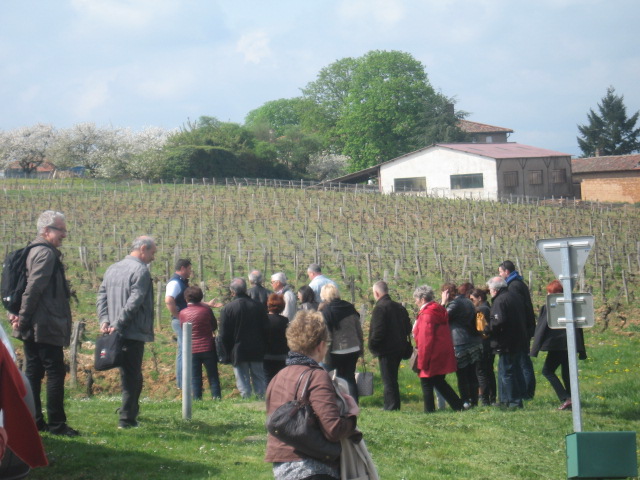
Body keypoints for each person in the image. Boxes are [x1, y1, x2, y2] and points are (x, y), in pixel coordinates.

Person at [265, 310, 359, 480]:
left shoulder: (278, 377)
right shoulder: (317, 376)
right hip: (313, 468)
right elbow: (334, 430)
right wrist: (352, 415)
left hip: (282, 466)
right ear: (320, 345)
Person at [8, 210, 79, 436]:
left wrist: (19, 315)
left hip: (34, 323)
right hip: (44, 324)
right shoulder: (46, 254)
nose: (64, 235)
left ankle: (35, 421)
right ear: (46, 230)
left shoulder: (33, 250)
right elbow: (34, 288)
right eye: (61, 230)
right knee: (55, 372)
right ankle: (57, 424)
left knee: (33, 372)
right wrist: (25, 318)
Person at [97, 235, 156, 428]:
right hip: (131, 330)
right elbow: (135, 301)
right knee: (132, 376)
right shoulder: (141, 271)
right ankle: (127, 419)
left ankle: (130, 411)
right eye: (152, 252)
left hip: (113, 329)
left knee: (127, 374)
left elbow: (102, 296)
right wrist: (119, 323)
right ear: (143, 249)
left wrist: (105, 320)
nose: (153, 257)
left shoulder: (112, 268)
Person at [530, 280, 587, 410]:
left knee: (547, 371)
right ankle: (573, 401)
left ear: (555, 294)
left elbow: (541, 328)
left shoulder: (550, 306)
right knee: (567, 373)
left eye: (549, 292)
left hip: (557, 345)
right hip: (571, 344)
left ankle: (565, 398)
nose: (548, 295)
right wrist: (581, 349)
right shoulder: (572, 306)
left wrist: (534, 349)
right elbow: (579, 328)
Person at [412, 285, 464, 413]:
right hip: (440, 353)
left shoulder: (427, 315)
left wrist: (422, 362)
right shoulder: (439, 310)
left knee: (426, 383)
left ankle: (429, 411)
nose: (415, 302)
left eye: (416, 299)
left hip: (430, 355)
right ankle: (458, 406)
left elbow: (425, 340)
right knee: (439, 382)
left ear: (423, 299)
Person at [218, 278, 269, 398]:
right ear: (246, 289)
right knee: (259, 376)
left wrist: (227, 350)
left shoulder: (228, 309)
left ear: (232, 292)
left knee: (242, 377)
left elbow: (224, 334)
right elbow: (266, 328)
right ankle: (261, 399)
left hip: (237, 348)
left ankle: (245, 398)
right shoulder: (258, 306)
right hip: (257, 347)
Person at [368, 280, 412, 411]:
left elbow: (378, 331)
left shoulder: (380, 308)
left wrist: (372, 345)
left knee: (388, 380)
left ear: (376, 293)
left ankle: (391, 406)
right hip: (400, 347)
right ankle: (393, 405)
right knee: (393, 378)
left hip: (386, 349)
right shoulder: (399, 307)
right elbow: (408, 328)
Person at [487, 276, 529, 409]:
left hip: (506, 341)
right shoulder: (513, 296)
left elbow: (499, 321)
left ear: (495, 289)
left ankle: (514, 401)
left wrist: (487, 329)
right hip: (518, 338)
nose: (490, 292)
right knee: (509, 370)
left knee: (507, 372)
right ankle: (506, 400)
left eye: (490, 289)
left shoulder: (500, 300)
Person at [499, 260, 536, 399]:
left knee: (523, 362)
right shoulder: (518, 283)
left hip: (522, 328)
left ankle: (526, 393)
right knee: (522, 360)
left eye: (500, 272)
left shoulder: (513, 286)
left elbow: (518, 309)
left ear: (506, 272)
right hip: (525, 326)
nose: (500, 274)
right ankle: (526, 392)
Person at [320, 283, 363, 403]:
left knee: (333, 379)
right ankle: (354, 403)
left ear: (324, 295)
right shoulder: (350, 307)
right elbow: (358, 330)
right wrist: (361, 349)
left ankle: (336, 403)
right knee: (349, 378)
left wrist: (325, 357)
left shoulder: (327, 311)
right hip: (353, 348)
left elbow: (327, 337)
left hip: (336, 350)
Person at [441, 282, 483, 407]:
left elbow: (441, 317)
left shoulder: (454, 304)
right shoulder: (468, 301)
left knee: (462, 374)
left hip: (460, 341)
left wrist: (443, 302)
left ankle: (465, 400)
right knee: (472, 373)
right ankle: (474, 400)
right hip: (473, 341)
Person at [179, 286, 221, 400]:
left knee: (195, 377)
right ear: (200, 297)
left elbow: (183, 328)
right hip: (208, 346)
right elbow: (214, 326)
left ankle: (197, 399)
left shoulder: (182, 313)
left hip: (192, 349)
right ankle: (216, 398)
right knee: (213, 376)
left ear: (186, 299)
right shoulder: (206, 310)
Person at [165, 259, 192, 389]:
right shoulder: (175, 283)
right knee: (185, 350)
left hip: (182, 320)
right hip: (180, 321)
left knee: (183, 350)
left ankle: (183, 384)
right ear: (183, 268)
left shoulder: (181, 282)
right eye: (189, 269)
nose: (190, 272)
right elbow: (169, 300)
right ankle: (183, 384)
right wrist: (178, 315)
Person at [469, 288, 497, 406]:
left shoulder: (481, 310)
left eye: (472, 299)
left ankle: (485, 400)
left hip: (483, 344)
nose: (471, 302)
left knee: (481, 372)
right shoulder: (489, 307)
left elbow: (480, 328)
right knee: (489, 371)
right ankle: (492, 398)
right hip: (490, 344)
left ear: (479, 298)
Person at [264, 293, 289, 385]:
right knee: (280, 381)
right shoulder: (285, 321)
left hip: (266, 355)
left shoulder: (264, 319)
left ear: (268, 305)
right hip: (281, 355)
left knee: (267, 380)